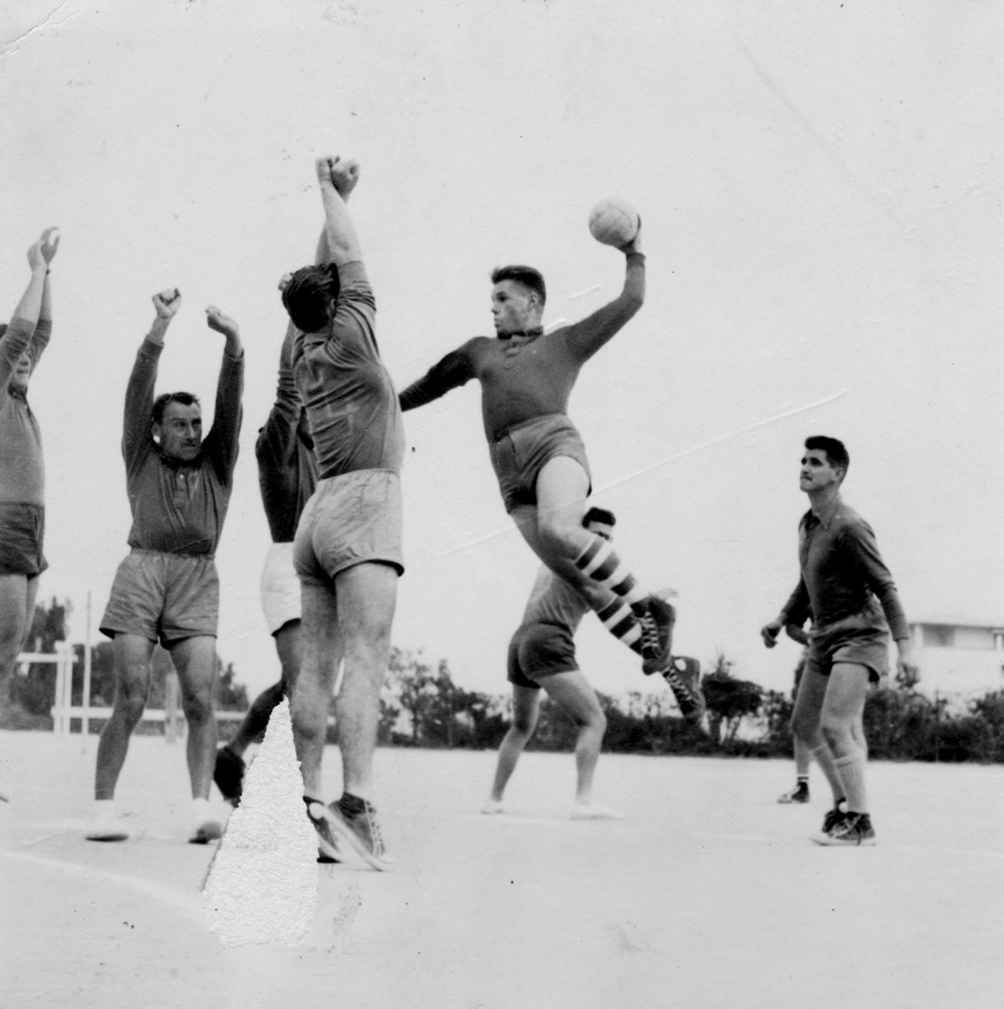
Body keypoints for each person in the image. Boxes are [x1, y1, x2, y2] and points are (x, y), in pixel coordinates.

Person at [398, 220, 690, 702]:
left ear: (533, 301)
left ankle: (650, 607)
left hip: (555, 445)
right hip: (509, 477)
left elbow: (630, 301)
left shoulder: (566, 343)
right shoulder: (479, 351)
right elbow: (430, 382)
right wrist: (383, 402)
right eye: (491, 301)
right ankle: (675, 673)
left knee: (561, 529)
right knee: (588, 587)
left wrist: (634, 252)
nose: (494, 308)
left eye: (504, 299)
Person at [280, 156, 403, 871]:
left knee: (314, 668)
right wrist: (328, 186)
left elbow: (320, 271)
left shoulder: (302, 344)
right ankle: (356, 805)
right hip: (365, 502)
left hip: (317, 514)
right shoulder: (354, 331)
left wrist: (335, 200)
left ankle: (305, 803)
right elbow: (347, 255)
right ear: (335, 300)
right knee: (365, 661)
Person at [86, 289, 244, 844]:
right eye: (179, 423)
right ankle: (104, 808)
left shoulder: (218, 465)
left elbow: (232, 405)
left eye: (196, 423)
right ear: (157, 430)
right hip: (142, 574)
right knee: (131, 693)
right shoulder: (140, 455)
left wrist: (233, 345)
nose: (192, 431)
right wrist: (159, 326)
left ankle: (202, 807)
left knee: (202, 697)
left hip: (198, 579)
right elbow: (137, 392)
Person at [761, 436, 918, 846]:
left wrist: (906, 647)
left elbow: (884, 585)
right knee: (804, 725)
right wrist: (784, 618)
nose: (805, 467)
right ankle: (844, 807)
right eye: (803, 460)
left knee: (834, 725)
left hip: (861, 635)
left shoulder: (850, 525)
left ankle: (861, 822)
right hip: (824, 637)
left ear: (838, 473)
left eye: (815, 462)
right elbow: (809, 578)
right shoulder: (808, 523)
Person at [483, 507, 624, 820]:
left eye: (607, 538)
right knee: (594, 720)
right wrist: (651, 601)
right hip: (548, 639)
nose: (602, 542)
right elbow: (612, 602)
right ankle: (583, 802)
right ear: (581, 531)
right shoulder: (586, 565)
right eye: (597, 534)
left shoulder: (555, 557)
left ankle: (493, 798)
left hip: (521, 639)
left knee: (521, 726)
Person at [0, 230, 60, 727]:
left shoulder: (19, 398)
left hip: (30, 527)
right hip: (5, 523)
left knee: (10, 650)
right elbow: (20, 337)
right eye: (12, 358)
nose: (24, 360)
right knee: (2, 648)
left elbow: (38, 337)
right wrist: (35, 270)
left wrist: (50, 273)